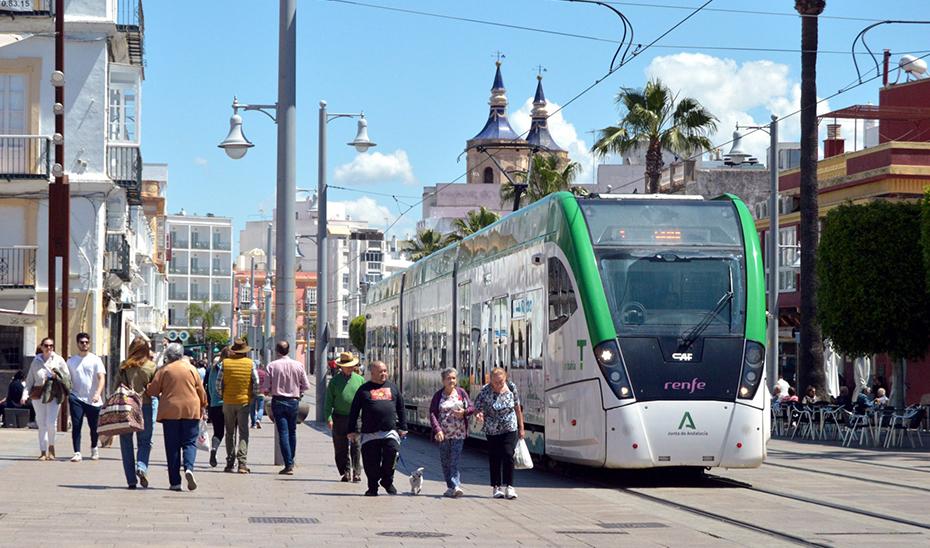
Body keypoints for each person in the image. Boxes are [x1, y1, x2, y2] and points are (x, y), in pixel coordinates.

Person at [146, 343, 207, 492]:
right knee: (189, 443)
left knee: (172, 446)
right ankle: (189, 468)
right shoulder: (191, 369)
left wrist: (147, 387)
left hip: (170, 411)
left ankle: (175, 482)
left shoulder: (165, 370)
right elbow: (201, 391)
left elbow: (153, 390)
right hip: (191, 410)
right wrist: (204, 405)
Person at [348, 361, 407, 496]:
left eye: (385, 371)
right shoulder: (364, 390)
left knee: (391, 456)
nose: (384, 374)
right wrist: (352, 430)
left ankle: (387, 480)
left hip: (389, 432)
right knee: (371, 464)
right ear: (372, 373)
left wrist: (403, 427)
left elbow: (401, 408)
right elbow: (354, 411)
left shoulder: (393, 388)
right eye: (381, 372)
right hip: (370, 434)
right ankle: (372, 487)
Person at [474, 367, 525, 500]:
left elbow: (517, 407)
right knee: (495, 456)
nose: (498, 384)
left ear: (505, 379)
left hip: (509, 425)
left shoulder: (511, 387)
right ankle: (496, 486)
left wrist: (521, 427)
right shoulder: (485, 391)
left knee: (509, 454)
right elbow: (477, 407)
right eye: (496, 382)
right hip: (492, 428)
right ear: (491, 380)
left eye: (501, 382)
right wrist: (479, 414)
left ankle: (510, 486)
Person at [261, 340, 310, 475]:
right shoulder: (298, 365)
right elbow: (306, 385)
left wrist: (270, 390)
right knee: (292, 431)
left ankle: (288, 463)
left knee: (283, 432)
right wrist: (297, 390)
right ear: (289, 350)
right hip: (294, 401)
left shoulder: (272, 366)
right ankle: (291, 460)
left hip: (278, 401)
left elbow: (265, 388)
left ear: (277, 351)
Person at [116, 337, 157, 489]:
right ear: (146, 350)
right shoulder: (151, 367)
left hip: (127, 406)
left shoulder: (123, 367)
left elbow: (116, 386)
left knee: (126, 442)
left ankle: (131, 480)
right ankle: (141, 466)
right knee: (145, 441)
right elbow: (155, 389)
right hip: (144, 406)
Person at [215, 338, 259, 474]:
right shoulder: (250, 364)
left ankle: (229, 462)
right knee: (243, 432)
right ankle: (242, 463)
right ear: (245, 352)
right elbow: (256, 382)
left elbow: (218, 383)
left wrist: (222, 395)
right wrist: (252, 396)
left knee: (229, 432)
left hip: (228, 402)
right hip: (244, 402)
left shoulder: (225, 363)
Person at [429, 368, 474, 498]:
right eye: (448, 378)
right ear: (443, 381)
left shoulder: (461, 393)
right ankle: (450, 487)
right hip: (443, 434)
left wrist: (464, 412)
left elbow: (471, 407)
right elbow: (432, 413)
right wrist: (437, 430)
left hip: (458, 433)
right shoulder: (438, 396)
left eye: (453, 378)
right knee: (445, 461)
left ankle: (456, 485)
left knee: (455, 460)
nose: (451, 381)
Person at [25, 338, 71, 461]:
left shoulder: (58, 359)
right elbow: (30, 379)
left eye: (51, 346)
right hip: (38, 394)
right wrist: (24, 394)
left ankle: (51, 447)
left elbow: (67, 376)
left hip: (53, 393)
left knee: (51, 423)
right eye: (46, 345)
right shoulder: (36, 361)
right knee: (41, 423)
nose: (49, 348)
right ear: (42, 346)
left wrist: (57, 375)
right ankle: (43, 451)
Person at [325, 352, 365, 483]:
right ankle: (345, 472)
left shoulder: (359, 380)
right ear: (341, 367)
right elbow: (328, 401)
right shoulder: (334, 382)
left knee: (356, 445)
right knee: (340, 446)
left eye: (351, 366)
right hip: (339, 417)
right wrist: (329, 418)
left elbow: (366, 400)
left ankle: (357, 472)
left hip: (356, 418)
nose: (349, 368)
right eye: (347, 366)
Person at [66, 332, 106, 462]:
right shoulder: (71, 361)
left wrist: (97, 393)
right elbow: (66, 379)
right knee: (76, 425)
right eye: (82, 342)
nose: (84, 344)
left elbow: (101, 378)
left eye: (86, 342)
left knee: (94, 427)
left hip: (93, 400)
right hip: (76, 397)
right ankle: (77, 452)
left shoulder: (96, 359)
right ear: (77, 344)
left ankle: (94, 448)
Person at [205, 347, 227, 468]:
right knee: (230, 433)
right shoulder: (228, 368)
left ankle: (214, 449)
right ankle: (231, 458)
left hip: (214, 404)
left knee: (217, 431)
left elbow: (207, 387)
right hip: (227, 403)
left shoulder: (211, 369)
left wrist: (209, 402)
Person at [251, 361, 267, 429]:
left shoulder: (251, 372)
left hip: (252, 392)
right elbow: (266, 382)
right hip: (261, 392)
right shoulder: (263, 373)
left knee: (252, 409)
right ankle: (258, 419)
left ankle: (253, 423)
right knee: (260, 408)